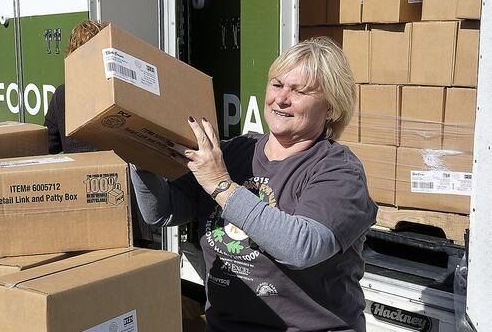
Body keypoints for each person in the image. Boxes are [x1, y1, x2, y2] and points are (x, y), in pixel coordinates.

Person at [132, 38, 377, 331]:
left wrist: (221, 185)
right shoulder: (235, 152)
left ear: (331, 108)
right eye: (277, 84)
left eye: (299, 90)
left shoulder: (338, 170)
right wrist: (141, 156)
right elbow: (161, 212)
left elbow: (301, 247)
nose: (282, 98)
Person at [44, 20, 107, 154]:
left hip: (78, 172)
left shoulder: (62, 94)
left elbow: (50, 145)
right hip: (115, 171)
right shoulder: (113, 89)